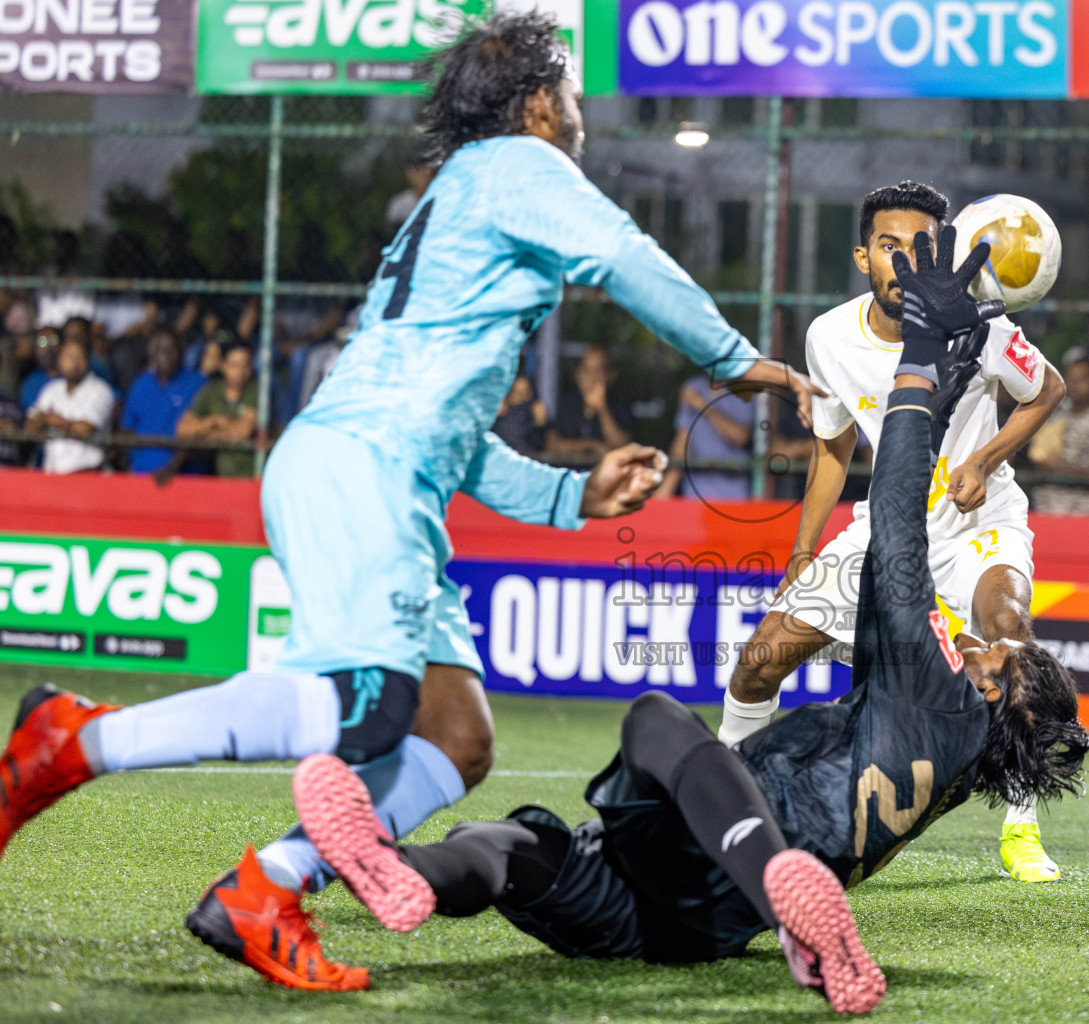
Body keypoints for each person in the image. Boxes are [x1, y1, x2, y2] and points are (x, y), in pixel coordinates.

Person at [0, 11, 818, 995]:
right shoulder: (522, 166)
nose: (584, 117)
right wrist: (740, 360)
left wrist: (572, 493)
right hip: (365, 469)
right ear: (540, 103)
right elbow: (623, 253)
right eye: (576, 97)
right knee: (370, 705)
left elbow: (458, 434)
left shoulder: (467, 192)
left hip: (379, 467)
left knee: (453, 732)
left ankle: (266, 886)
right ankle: (74, 740)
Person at [286, 231, 1089, 1011]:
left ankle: (780, 894)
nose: (990, 645)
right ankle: (395, 869)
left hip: (743, 856)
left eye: (1002, 658)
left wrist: (919, 364)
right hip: (686, 923)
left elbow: (894, 522)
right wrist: (943, 398)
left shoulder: (942, 685)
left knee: (658, 722)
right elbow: (894, 561)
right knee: (512, 847)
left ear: (993, 691)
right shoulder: (953, 754)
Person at [719, 182, 1068, 884]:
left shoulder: (981, 324)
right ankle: (729, 800)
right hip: (888, 524)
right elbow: (832, 446)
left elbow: (1049, 388)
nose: (904, 260)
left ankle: (1022, 828)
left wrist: (984, 458)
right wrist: (803, 548)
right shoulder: (828, 337)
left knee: (1012, 632)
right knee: (758, 662)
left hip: (979, 520)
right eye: (888, 245)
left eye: (920, 246)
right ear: (861, 256)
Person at [1030, 356, 1089, 516]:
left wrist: (1060, 469)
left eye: (1082, 379)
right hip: (1047, 508)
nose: (1075, 385)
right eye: (1070, 379)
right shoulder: (1057, 417)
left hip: (1083, 512)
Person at [119, 328, 206, 481]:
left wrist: (172, 468)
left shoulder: (197, 383)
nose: (164, 354)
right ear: (150, 353)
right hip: (141, 475)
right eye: (158, 349)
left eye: (170, 348)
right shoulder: (141, 384)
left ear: (181, 350)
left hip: (185, 479)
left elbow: (200, 433)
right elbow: (127, 428)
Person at [23, 334, 115, 474]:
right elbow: (30, 426)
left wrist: (50, 420)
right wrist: (51, 421)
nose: (75, 363)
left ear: (87, 361)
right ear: (60, 360)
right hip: (53, 475)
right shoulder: (50, 390)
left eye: (79, 357)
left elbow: (84, 430)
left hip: (89, 474)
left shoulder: (101, 390)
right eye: (69, 357)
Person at [655, 374, 753, 500]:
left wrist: (702, 404)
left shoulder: (744, 389)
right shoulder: (693, 387)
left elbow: (740, 437)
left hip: (733, 496)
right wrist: (664, 491)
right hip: (696, 494)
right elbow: (682, 444)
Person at [178, 344, 260, 478]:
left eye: (245, 365)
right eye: (235, 365)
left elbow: (243, 432)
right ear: (223, 365)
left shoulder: (256, 390)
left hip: (250, 476)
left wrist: (205, 435)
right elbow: (183, 429)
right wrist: (212, 422)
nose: (240, 371)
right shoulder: (212, 390)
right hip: (220, 476)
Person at [546, 346, 635, 456]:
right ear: (578, 374)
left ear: (609, 375)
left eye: (598, 371)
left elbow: (623, 447)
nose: (592, 378)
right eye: (587, 371)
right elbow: (551, 445)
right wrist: (592, 446)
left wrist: (602, 408)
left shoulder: (619, 404)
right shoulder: (567, 403)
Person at [490, 374, 548, 455]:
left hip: (526, 456)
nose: (521, 397)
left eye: (525, 392)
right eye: (517, 392)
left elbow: (540, 442)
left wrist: (540, 424)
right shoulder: (499, 411)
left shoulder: (534, 412)